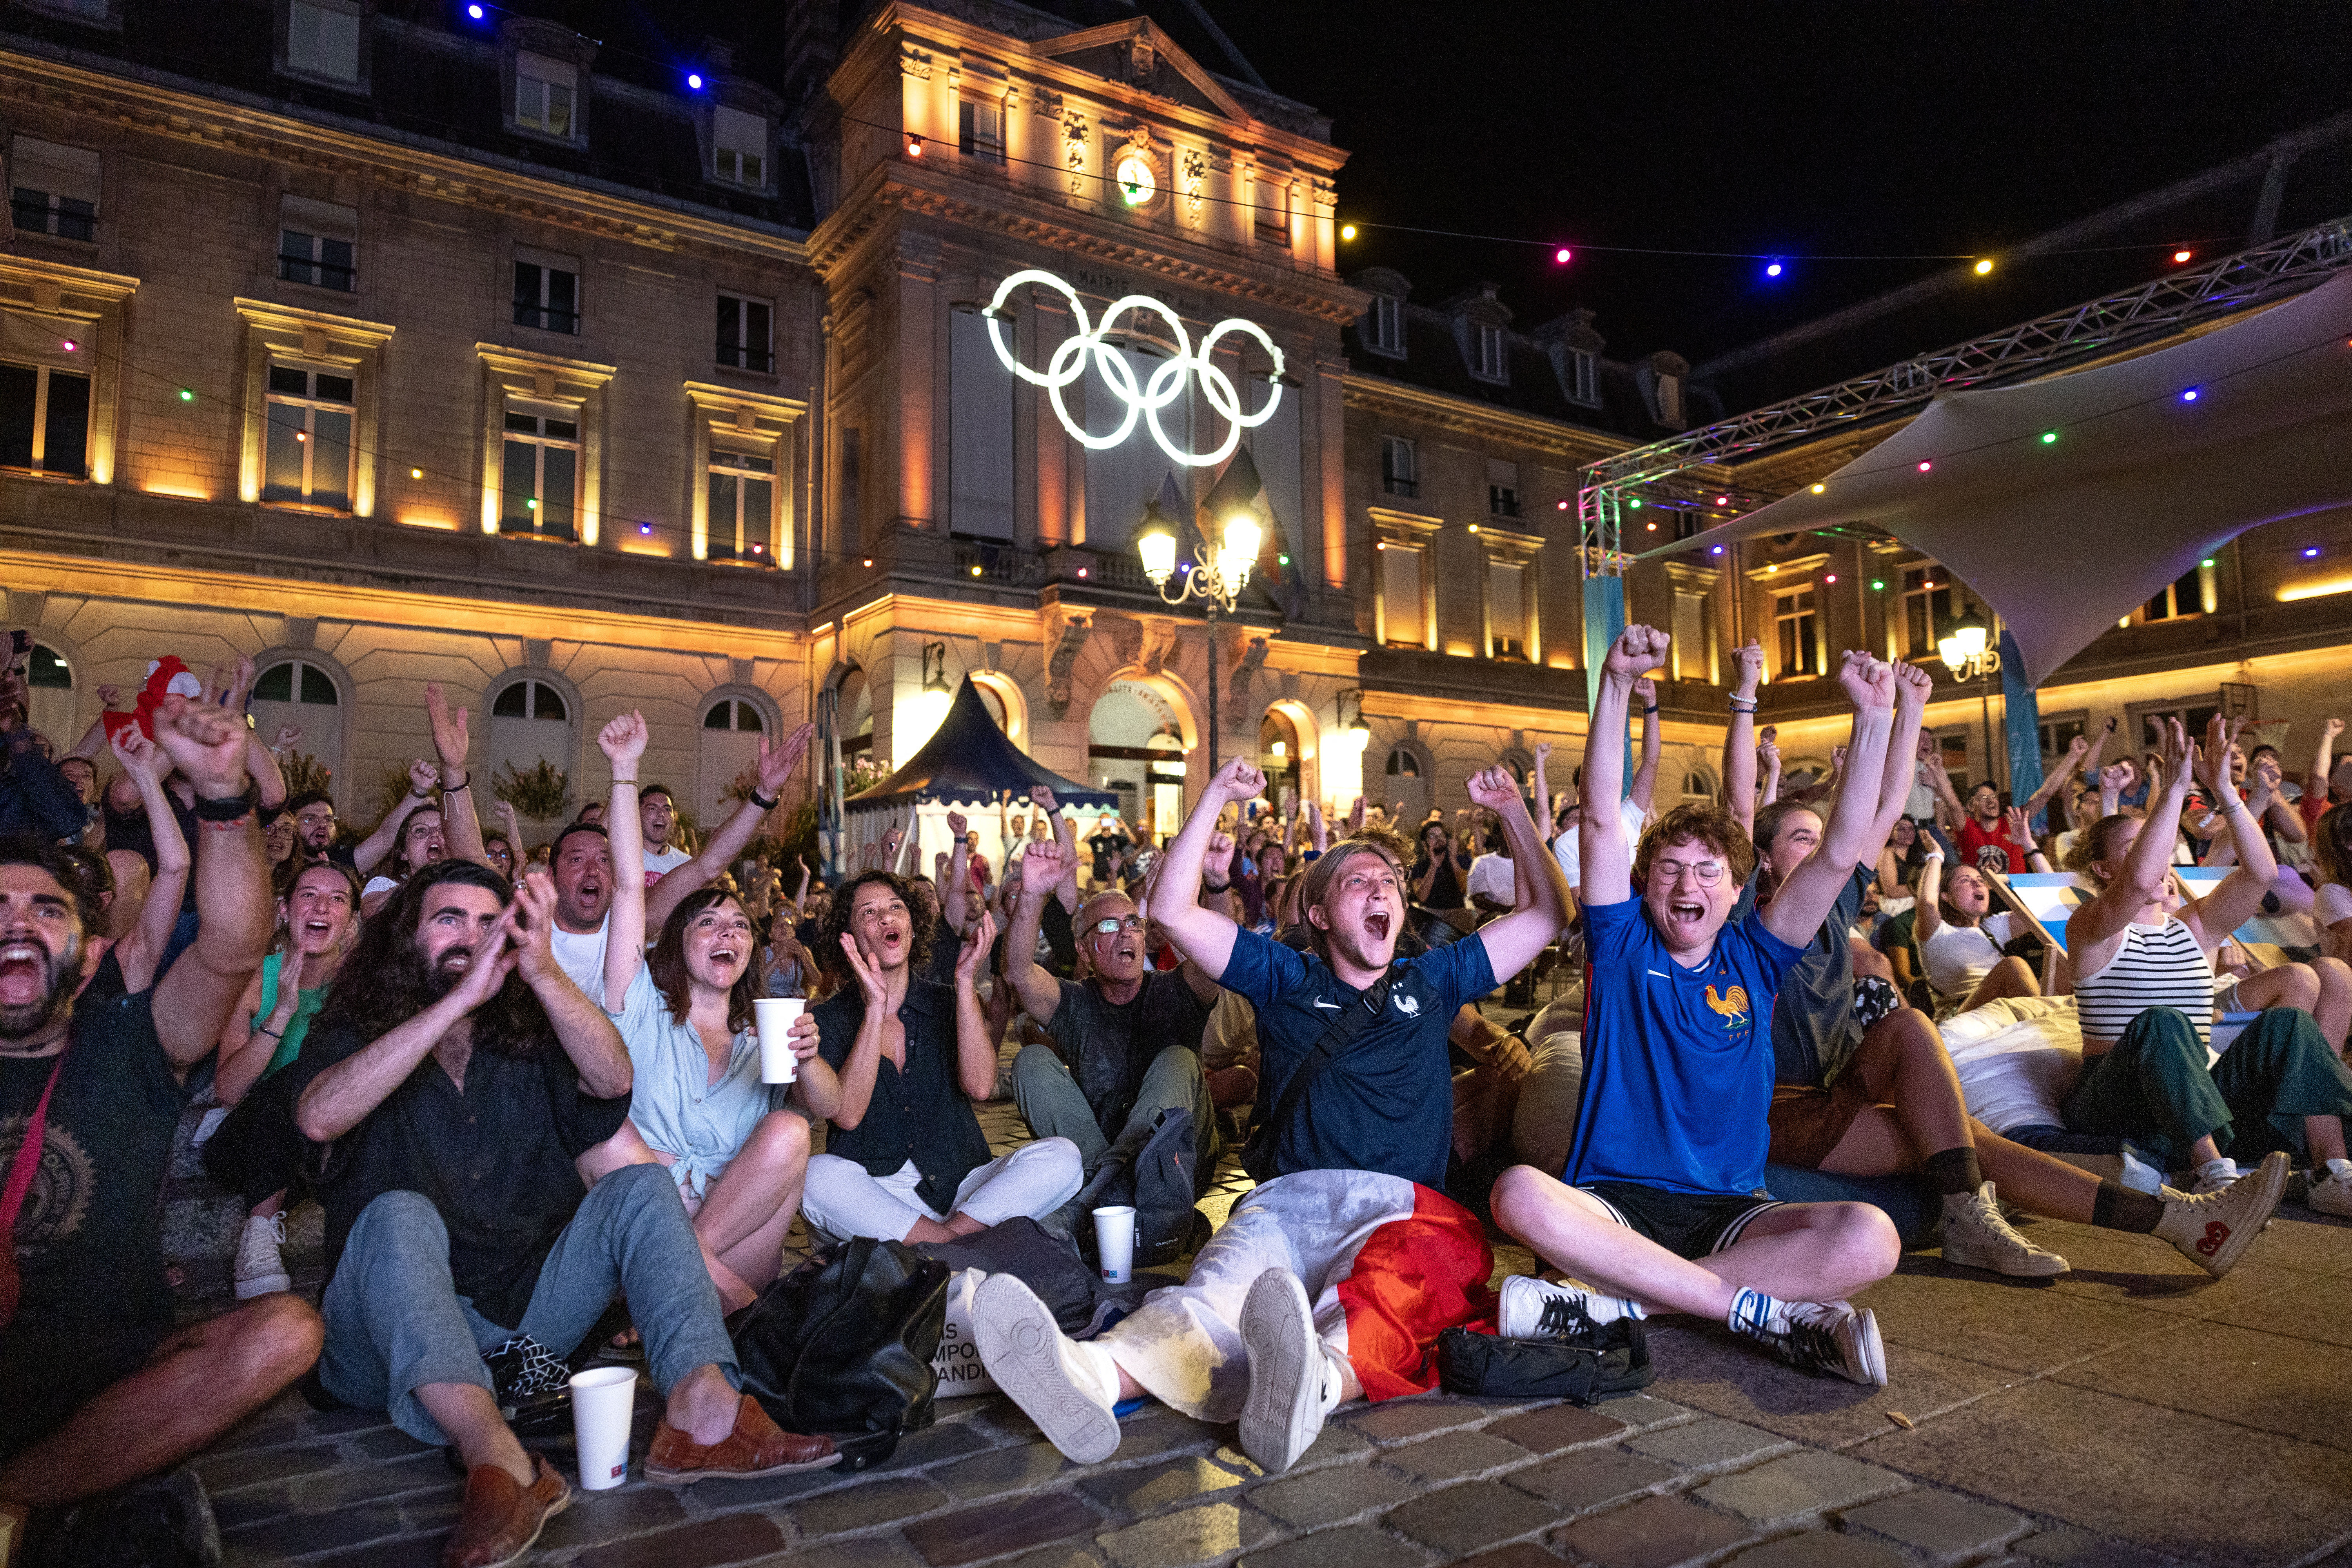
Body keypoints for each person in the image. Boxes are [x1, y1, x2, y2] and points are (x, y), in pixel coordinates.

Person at [973, 752, 1568, 1474]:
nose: (1381, 889)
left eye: (1390, 882)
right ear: (1318, 913)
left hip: (1402, 1206)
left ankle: (1309, 1388)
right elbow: (1171, 911)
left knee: (1385, 1299)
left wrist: (1512, 811)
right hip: (1288, 1202)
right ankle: (1091, 1379)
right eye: (1359, 881)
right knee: (1217, 1288)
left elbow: (1548, 915)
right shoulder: (1287, 975)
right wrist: (1218, 793)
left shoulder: (1434, 978)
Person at [288, 860, 837, 1564]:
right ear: (407, 940)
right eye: (450, 919)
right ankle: (503, 1464)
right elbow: (317, 1117)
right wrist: (455, 1004)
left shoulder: (526, 1029)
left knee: (642, 1189)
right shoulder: (356, 1026)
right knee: (398, 1214)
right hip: (386, 1339)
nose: (474, 937)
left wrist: (543, 972)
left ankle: (703, 1412)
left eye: (492, 923)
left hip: (523, 1331)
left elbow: (612, 1081)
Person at [1490, 631, 1912, 1389]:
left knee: (1872, 1236)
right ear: (1646, 883)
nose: (1688, 882)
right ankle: (1760, 1311)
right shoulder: (1620, 944)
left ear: (1736, 887)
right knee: (1518, 1192)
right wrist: (1615, 685)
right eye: (1671, 868)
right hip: (1611, 1206)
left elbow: (1841, 852)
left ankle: (1624, 1309)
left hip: (1730, 1210)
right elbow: (1597, 824)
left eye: (1708, 870)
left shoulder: (1759, 954)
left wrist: (1875, 719)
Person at [1, 698, 324, 1555]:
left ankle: (16, 1494)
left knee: (286, 1330)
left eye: (45, 909)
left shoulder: (133, 1041)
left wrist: (222, 796)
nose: (16, 923)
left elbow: (229, 943)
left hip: (108, 1372)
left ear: (93, 948)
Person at [2061, 716, 2352, 1221]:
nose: (2161, 866)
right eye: (2136, 849)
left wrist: (2224, 791)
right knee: (2161, 1019)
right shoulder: (2093, 927)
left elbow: (2261, 873)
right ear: (2106, 869)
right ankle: (2216, 1175)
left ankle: (2332, 1170)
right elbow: (2136, 884)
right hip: (2115, 1095)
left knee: (2291, 1024)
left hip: (2195, 1091)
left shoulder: (2195, 927)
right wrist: (2173, 792)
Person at [594, 712, 815, 1316]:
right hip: (644, 1238)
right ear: (675, 943)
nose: (729, 932)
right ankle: (752, 1321)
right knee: (602, 1135)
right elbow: (626, 892)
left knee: (791, 1132)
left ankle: (680, 1284)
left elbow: (826, 1111)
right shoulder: (639, 1005)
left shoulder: (759, 1043)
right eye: (708, 922)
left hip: (731, 1246)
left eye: (741, 925)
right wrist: (624, 772)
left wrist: (809, 1056)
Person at [790, 872, 1079, 1243]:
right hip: (877, 1197)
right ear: (848, 937)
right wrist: (875, 1011)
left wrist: (964, 984)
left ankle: (942, 1247)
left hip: (963, 1191)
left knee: (1064, 1157)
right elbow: (847, 1115)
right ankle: (964, 1248)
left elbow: (980, 1086)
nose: (887, 918)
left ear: (912, 927)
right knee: (816, 1175)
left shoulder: (948, 999)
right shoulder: (828, 1018)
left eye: (897, 908)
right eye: (869, 912)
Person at [1001, 837, 1218, 1186]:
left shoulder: (1176, 990)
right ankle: (1112, 1188)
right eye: (1108, 926)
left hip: (1178, 1165)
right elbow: (1017, 975)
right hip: (1096, 1158)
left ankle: (1118, 1186)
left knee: (1177, 1059)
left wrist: (1218, 884)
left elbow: (1216, 951)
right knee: (1031, 1062)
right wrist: (1031, 895)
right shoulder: (1075, 1002)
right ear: (1084, 952)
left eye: (1134, 923)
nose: (1125, 934)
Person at [206, 860, 361, 1299]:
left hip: (325, 1147)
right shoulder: (255, 978)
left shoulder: (360, 988)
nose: (322, 907)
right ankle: (258, 1234)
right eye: (309, 895)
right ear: (284, 909)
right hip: (248, 1142)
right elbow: (229, 1091)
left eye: (338, 900)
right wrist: (282, 1014)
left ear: (351, 922)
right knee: (299, 1077)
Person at [1915, 820, 2044, 1013]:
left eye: (1981, 881)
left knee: (2067, 963)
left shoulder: (1993, 928)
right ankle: (2040, 1022)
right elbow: (1927, 901)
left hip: (2006, 1009)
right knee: (2014, 966)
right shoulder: (1935, 930)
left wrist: (2028, 845)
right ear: (1947, 897)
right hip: (1964, 1016)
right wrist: (1936, 856)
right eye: (1965, 881)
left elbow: (2050, 906)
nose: (1977, 885)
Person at [638, 786, 692, 881]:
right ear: (638, 815)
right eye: (652, 809)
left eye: (667, 810)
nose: (661, 814)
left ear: (674, 818)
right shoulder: (623, 859)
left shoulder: (686, 864)